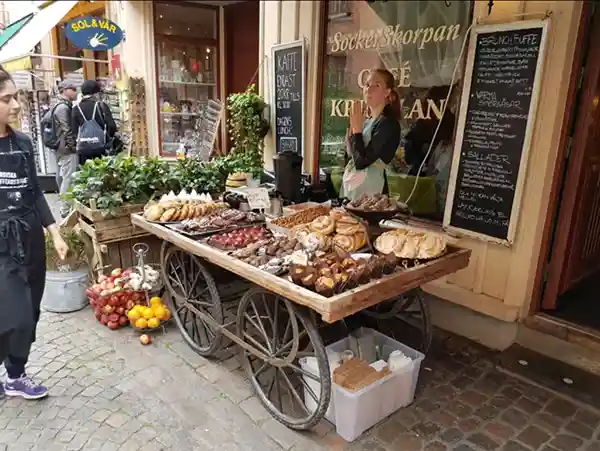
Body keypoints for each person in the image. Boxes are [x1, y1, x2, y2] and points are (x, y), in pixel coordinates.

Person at [0, 67, 69, 400]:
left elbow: (35, 192)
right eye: (6, 99)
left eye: (16, 97)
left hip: (30, 237)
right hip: (1, 245)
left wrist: (54, 232)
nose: (16, 105)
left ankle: (15, 375)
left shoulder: (24, 143)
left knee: (33, 310)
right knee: (16, 314)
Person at [341, 68, 402, 201]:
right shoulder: (367, 122)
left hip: (372, 196)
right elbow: (352, 157)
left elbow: (362, 162)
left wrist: (357, 131)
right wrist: (351, 137)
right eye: (367, 85)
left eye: (377, 85)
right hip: (353, 190)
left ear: (387, 92)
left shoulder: (388, 124)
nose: (369, 89)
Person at [71, 80, 117, 166]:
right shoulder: (101, 106)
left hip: (83, 149)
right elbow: (111, 126)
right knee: (102, 173)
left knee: (86, 174)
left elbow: (74, 130)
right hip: (101, 149)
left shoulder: (75, 109)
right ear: (96, 93)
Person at [53, 81, 78, 218]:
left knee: (63, 176)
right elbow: (66, 128)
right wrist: (72, 146)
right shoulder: (63, 108)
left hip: (59, 147)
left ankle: (65, 203)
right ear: (65, 90)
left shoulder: (59, 105)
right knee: (68, 177)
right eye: (73, 89)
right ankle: (65, 208)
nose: (76, 91)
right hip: (65, 148)